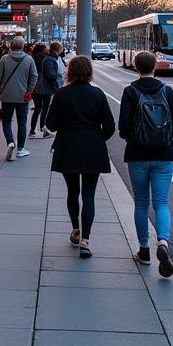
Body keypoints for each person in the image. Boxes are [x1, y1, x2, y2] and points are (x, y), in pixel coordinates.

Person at [45, 55, 115, 258]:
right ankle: (86, 240)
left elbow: (51, 124)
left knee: (72, 191)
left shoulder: (62, 94)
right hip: (93, 147)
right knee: (89, 195)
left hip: (67, 147)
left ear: (69, 71)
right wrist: (97, 138)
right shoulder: (98, 94)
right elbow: (110, 126)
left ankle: (75, 230)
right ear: (89, 72)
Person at [118, 50, 173, 277]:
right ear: (155, 66)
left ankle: (144, 250)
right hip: (164, 154)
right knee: (162, 202)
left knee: (141, 202)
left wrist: (134, 138)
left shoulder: (130, 91)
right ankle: (163, 242)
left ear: (136, 67)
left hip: (137, 154)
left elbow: (123, 127)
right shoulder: (167, 90)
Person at [0, 37, 38, 161]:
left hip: (7, 96)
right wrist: (29, 91)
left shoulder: (4, 59)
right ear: (23, 46)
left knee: (6, 121)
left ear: (11, 46)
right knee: (22, 122)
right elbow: (34, 76)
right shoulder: (29, 59)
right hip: (23, 97)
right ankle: (20, 149)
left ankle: (10, 142)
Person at [29, 43, 58, 138]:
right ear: (42, 50)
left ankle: (32, 130)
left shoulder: (31, 58)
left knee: (37, 108)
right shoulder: (46, 59)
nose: (47, 50)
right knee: (45, 108)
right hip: (45, 86)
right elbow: (50, 74)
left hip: (35, 86)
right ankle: (43, 128)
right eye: (45, 48)